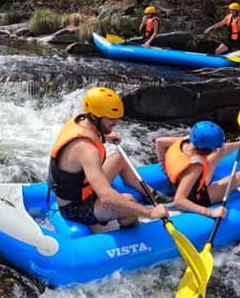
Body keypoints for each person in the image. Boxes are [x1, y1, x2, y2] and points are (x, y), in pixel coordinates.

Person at [48, 87, 169, 230]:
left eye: (117, 118)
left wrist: (104, 135)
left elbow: (89, 133)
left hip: (81, 187)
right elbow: (106, 197)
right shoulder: (86, 149)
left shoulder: (82, 120)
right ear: (94, 116)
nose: (116, 122)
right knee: (129, 200)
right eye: (110, 119)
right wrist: (150, 213)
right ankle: (129, 231)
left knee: (120, 158)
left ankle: (151, 194)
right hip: (75, 206)